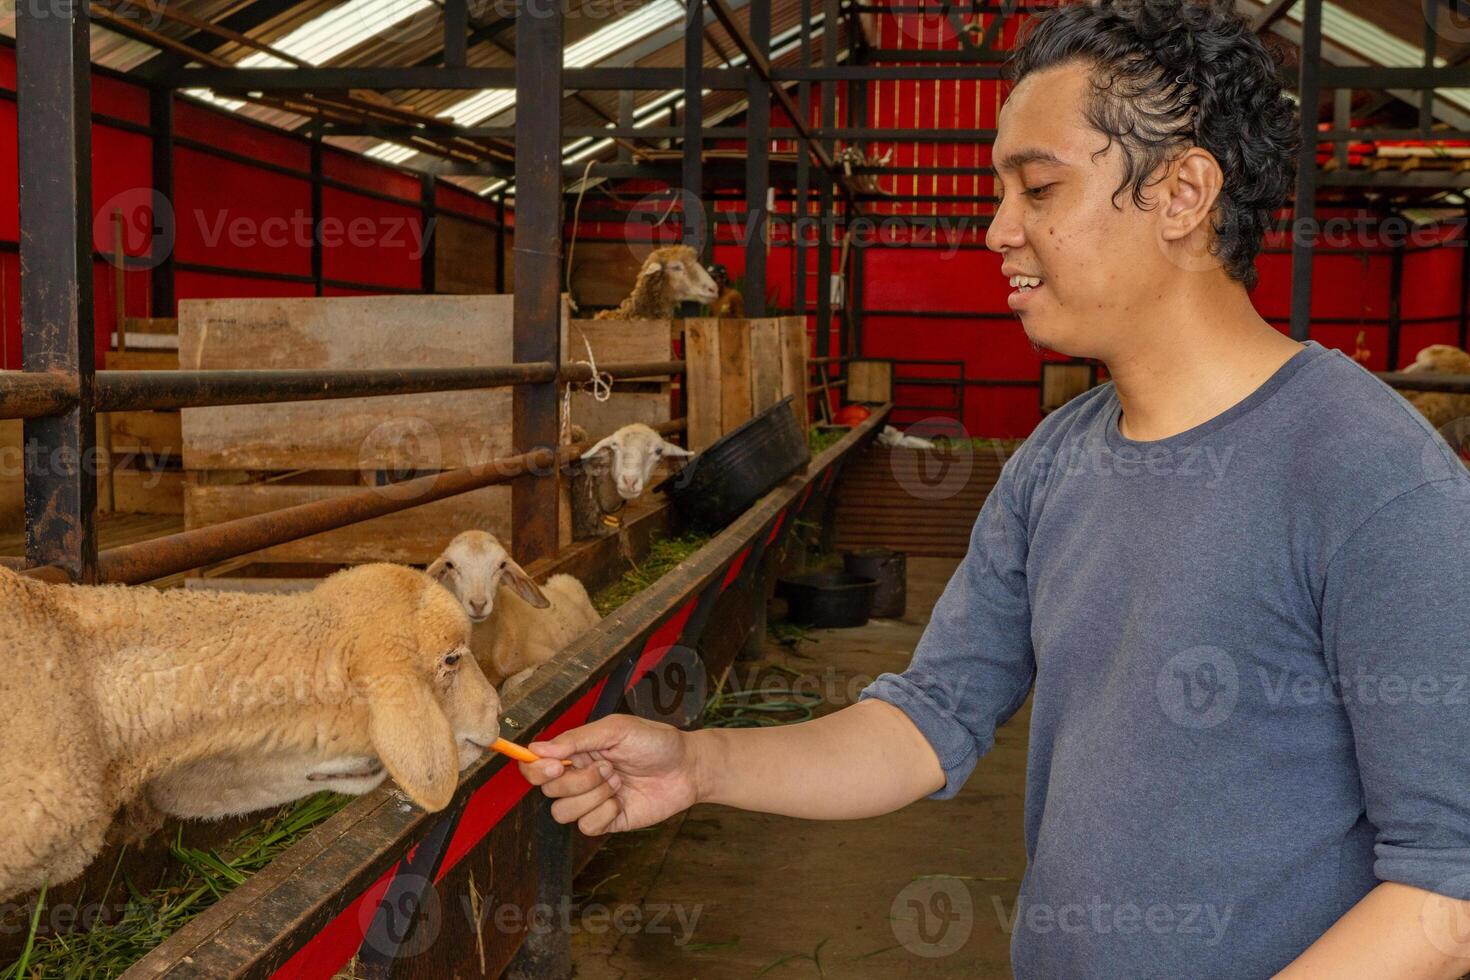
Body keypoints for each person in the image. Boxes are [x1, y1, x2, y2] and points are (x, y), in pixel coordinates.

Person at [518, 2, 1470, 976]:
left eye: (1039, 188)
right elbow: (928, 720)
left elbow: (1446, 892)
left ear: (1183, 191)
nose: (997, 230)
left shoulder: (1372, 479)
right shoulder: (1056, 458)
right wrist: (700, 763)